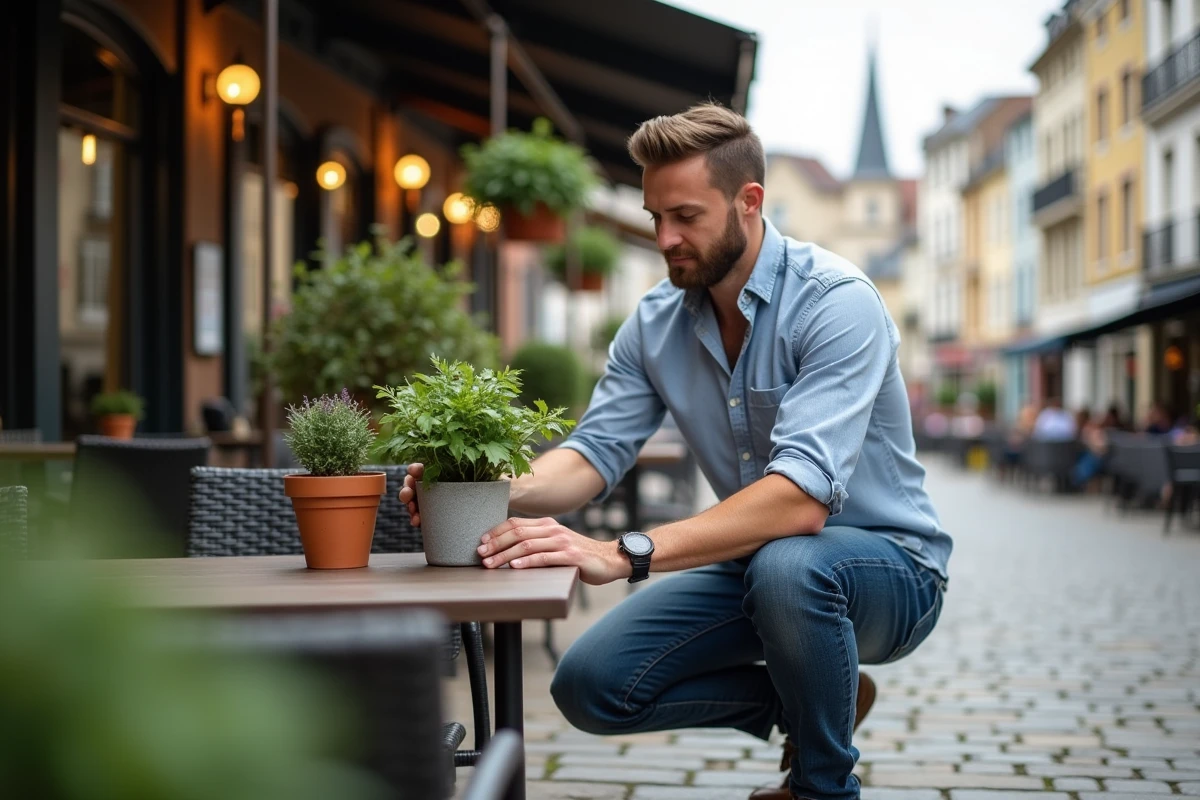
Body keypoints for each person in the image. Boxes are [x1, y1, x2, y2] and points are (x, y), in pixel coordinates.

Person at [401, 104, 952, 800]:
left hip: (891, 572)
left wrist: (621, 553)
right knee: (591, 685)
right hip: (762, 570)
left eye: (686, 216)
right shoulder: (656, 323)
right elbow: (594, 453)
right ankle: (808, 703)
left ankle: (821, 787)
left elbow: (800, 499)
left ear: (749, 202)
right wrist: (480, 484)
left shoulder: (835, 302)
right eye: (655, 216)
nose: (665, 238)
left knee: (790, 565)